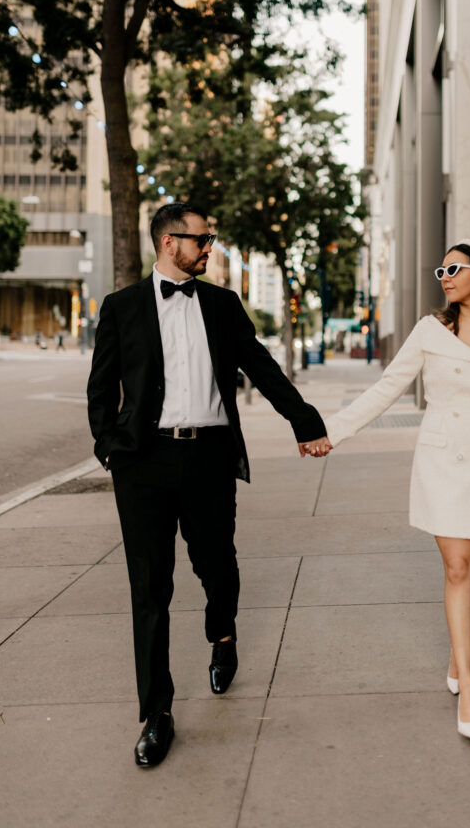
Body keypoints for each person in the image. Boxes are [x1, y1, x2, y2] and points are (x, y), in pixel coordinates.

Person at [87, 202, 328, 767]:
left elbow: (260, 365)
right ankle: (157, 713)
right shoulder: (121, 308)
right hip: (142, 463)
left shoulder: (221, 305)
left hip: (210, 459)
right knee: (149, 588)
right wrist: (109, 451)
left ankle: (223, 635)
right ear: (170, 242)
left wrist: (304, 418)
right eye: (202, 239)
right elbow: (101, 388)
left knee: (218, 566)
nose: (208, 247)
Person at [304, 239, 470, 739]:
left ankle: (458, 656)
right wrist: (332, 431)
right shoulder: (429, 331)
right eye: (440, 269)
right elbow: (386, 388)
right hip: (445, 463)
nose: (444, 276)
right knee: (458, 566)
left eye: (454, 268)